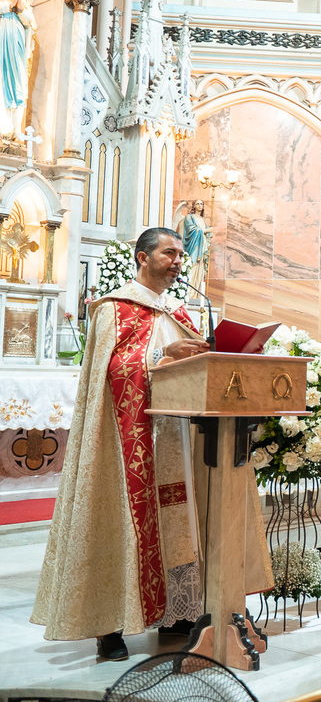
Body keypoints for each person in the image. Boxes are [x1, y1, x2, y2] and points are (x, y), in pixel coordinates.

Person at [31, 228, 270, 661]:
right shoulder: (115, 308)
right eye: (169, 253)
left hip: (178, 437)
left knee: (181, 524)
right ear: (143, 257)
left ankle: (177, 613)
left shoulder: (179, 310)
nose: (179, 261)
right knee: (123, 522)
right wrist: (162, 357)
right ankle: (110, 624)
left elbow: (197, 367)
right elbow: (114, 371)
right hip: (129, 440)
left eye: (181, 254)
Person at [0, 0, 35, 140]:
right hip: (1, 33)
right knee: (1, 78)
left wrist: (20, 8)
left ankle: (16, 130)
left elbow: (31, 21)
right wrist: (9, 5)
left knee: (18, 81)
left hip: (17, 39)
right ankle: (3, 128)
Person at [178, 200, 211, 291]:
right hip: (193, 245)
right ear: (194, 206)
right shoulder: (189, 217)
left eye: (201, 204)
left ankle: (196, 292)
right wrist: (204, 231)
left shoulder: (202, 220)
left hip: (202, 245)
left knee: (200, 267)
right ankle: (189, 291)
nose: (200, 206)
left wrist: (208, 229)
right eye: (197, 204)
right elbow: (191, 229)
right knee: (193, 264)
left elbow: (206, 231)